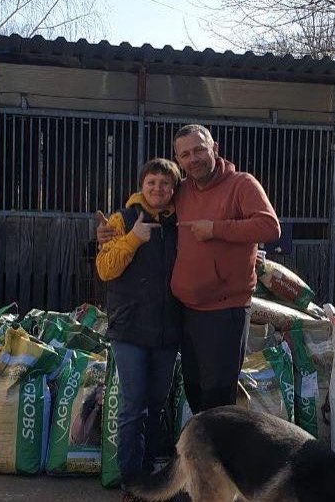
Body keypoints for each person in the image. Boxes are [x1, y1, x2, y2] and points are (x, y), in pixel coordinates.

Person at [99, 125, 280, 414]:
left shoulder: (241, 184)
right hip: (186, 311)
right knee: (195, 391)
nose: (193, 158)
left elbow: (270, 227)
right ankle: (201, 455)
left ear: (214, 148)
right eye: (185, 154)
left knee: (218, 397)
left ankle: (218, 457)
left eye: (198, 150)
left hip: (224, 310)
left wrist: (216, 229)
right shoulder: (182, 190)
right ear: (179, 160)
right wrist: (112, 229)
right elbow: (149, 198)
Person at [95, 158, 183, 496]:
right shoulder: (122, 220)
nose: (158, 188)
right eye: (152, 182)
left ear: (173, 189)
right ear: (141, 186)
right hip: (130, 329)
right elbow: (105, 269)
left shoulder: (178, 223)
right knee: (133, 406)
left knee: (157, 405)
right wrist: (133, 238)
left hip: (166, 330)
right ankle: (131, 480)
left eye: (165, 183)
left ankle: (150, 474)